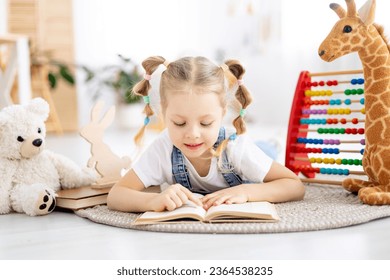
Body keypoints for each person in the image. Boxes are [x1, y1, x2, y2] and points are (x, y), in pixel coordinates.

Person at [107, 56, 305, 212]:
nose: (193, 134)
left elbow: (294, 185)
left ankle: (276, 140)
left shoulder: (236, 146)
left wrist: (246, 191)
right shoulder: (163, 147)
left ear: (223, 114)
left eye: (205, 123)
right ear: (163, 114)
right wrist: (152, 200)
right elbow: (117, 195)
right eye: (179, 123)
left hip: (251, 155)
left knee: (267, 149)